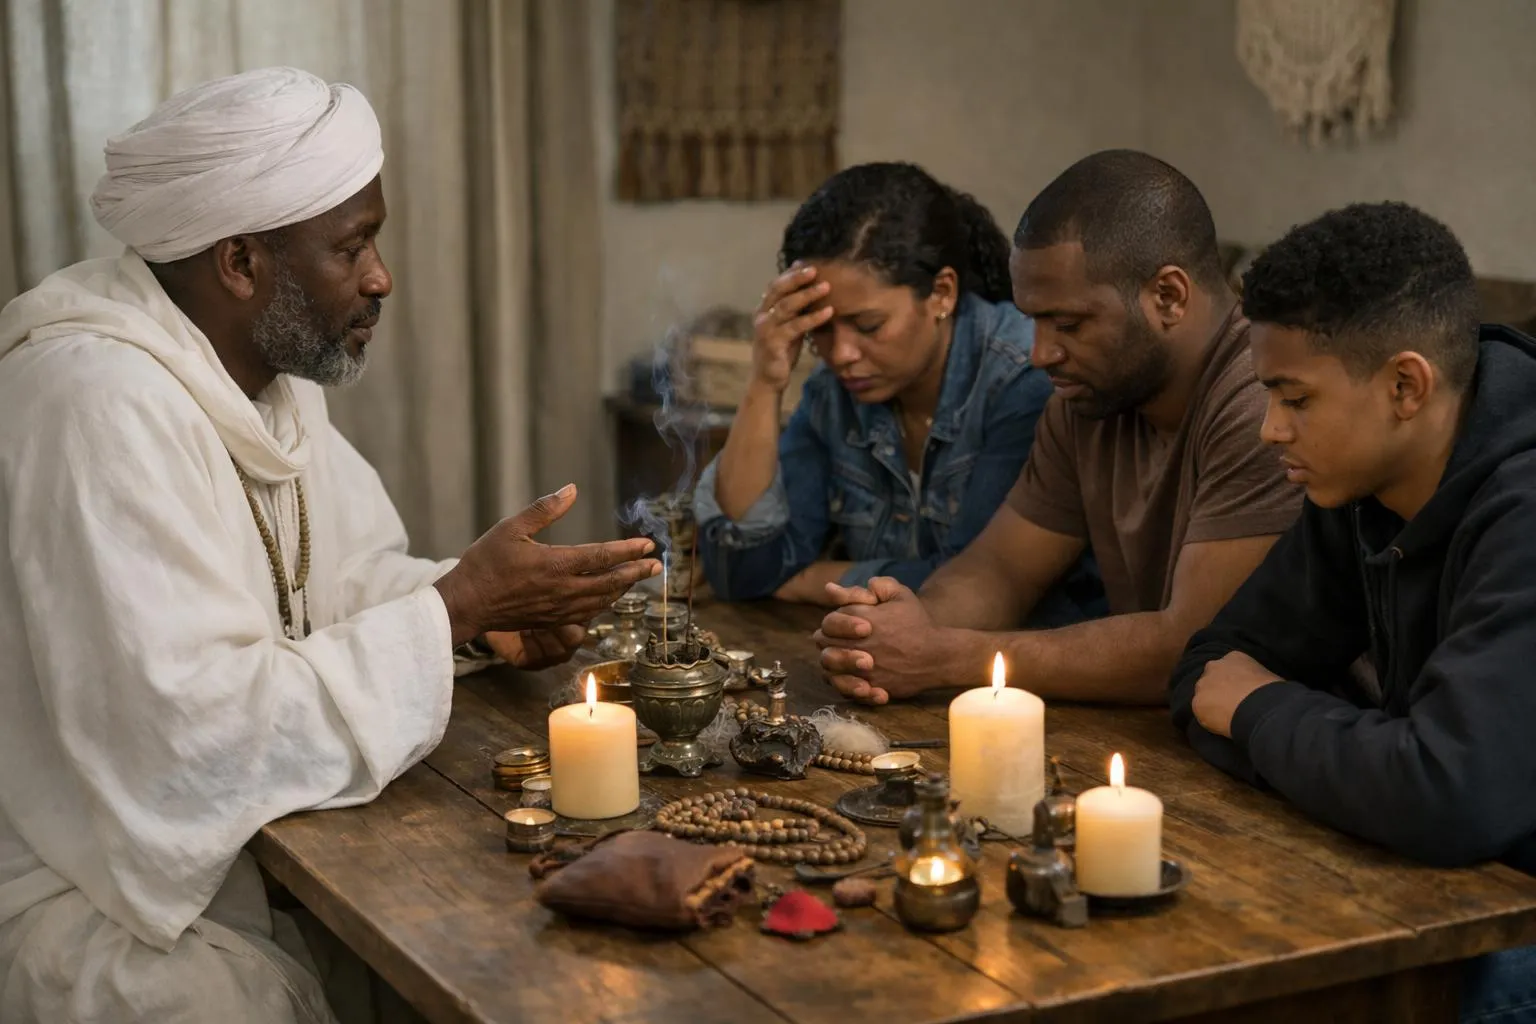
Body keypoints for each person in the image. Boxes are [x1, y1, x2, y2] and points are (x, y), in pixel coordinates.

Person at [0, 68, 658, 1023]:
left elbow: (334, 581)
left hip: (222, 867)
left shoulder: (262, 375)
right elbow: (189, 741)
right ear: (240, 262)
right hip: (89, 894)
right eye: (352, 247)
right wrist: (453, 608)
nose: (380, 277)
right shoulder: (98, 404)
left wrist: (479, 616)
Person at [1165, 203, 1536, 1024]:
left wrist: (1263, 714)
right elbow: (1207, 670)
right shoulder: (1361, 485)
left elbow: (1448, 794)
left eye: (1295, 398)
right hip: (1454, 881)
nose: (1271, 430)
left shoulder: (1524, 509)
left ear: (1406, 385)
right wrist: (1358, 770)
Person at [814, 150, 1302, 704]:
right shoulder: (1087, 398)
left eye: (1067, 324)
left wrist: (943, 656)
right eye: (1034, 322)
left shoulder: (1264, 403)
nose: (1041, 353)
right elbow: (1002, 569)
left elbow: (1195, 646)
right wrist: (895, 629)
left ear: (1168, 296)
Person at [693, 161, 1103, 623]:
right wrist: (765, 384)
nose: (841, 354)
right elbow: (742, 571)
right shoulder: (834, 394)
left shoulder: (1025, 379)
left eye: (868, 325)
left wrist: (814, 580)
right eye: (819, 329)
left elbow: (977, 586)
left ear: (942, 293)